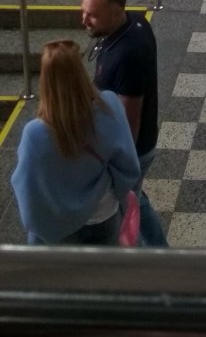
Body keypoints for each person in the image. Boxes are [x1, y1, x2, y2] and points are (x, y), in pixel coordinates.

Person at [11, 39, 139, 246]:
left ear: (46, 80)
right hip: (104, 214)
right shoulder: (110, 106)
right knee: (106, 274)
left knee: (65, 277)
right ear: (80, 72)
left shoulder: (34, 134)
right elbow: (128, 165)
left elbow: (28, 190)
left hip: (59, 225)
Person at [81, 0, 166, 247]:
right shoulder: (136, 22)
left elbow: (129, 119)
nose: (84, 20)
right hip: (142, 145)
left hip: (134, 150)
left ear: (117, 11)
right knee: (135, 200)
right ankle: (161, 253)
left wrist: (117, 162)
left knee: (123, 212)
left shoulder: (128, 55)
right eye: (84, 11)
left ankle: (145, 269)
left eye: (93, 14)